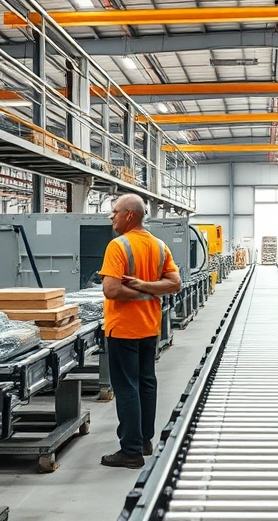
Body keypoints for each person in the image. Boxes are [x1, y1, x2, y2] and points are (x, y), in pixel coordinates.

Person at [98, 194, 182, 468]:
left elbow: (110, 290)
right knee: (146, 382)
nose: (112, 217)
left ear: (129, 215)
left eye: (115, 212)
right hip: (149, 326)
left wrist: (137, 286)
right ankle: (145, 440)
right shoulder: (158, 246)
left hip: (123, 328)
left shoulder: (118, 246)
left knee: (127, 387)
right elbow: (172, 283)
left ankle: (131, 451)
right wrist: (148, 286)